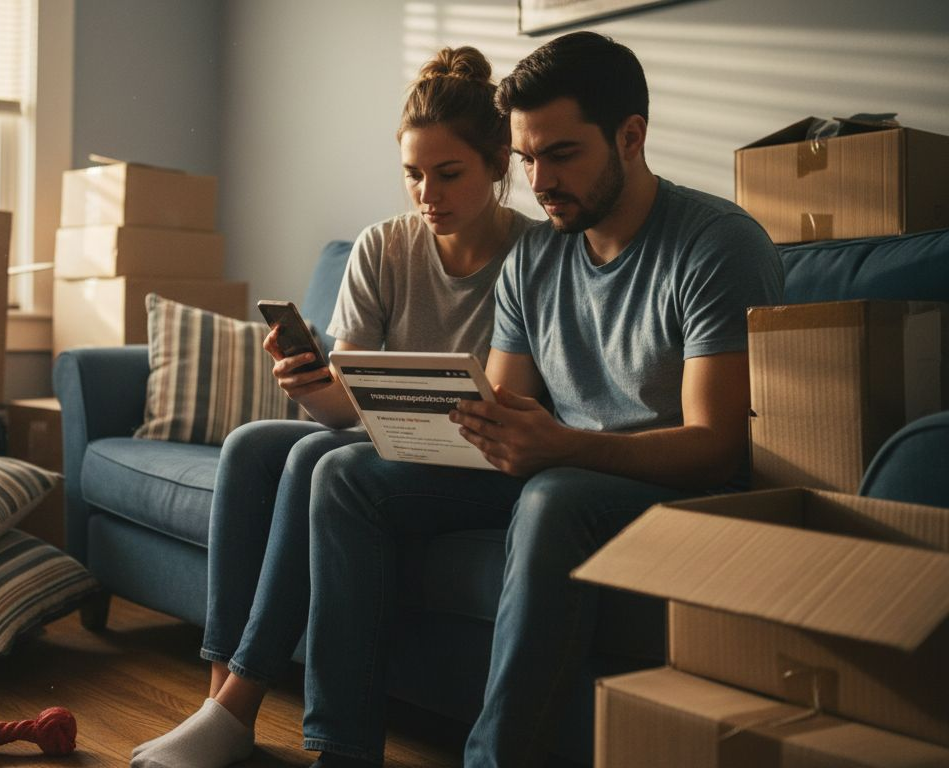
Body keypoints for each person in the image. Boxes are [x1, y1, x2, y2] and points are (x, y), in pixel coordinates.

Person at [300, 31, 784, 768]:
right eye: (526, 159)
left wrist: (560, 445)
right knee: (345, 474)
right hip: (559, 473)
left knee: (554, 496)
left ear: (631, 136)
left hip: (669, 491)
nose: (539, 180)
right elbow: (504, 405)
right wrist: (450, 419)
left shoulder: (716, 246)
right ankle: (340, 751)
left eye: (560, 154)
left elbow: (717, 446)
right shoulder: (537, 254)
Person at [130, 46, 536, 768]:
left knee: (323, 459)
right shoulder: (383, 247)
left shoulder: (535, 257)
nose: (427, 195)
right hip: (387, 448)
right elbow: (346, 405)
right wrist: (314, 388)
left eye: (449, 174)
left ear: (499, 162)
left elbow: (517, 405)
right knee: (258, 442)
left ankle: (266, 720)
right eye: (413, 175)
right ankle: (221, 698)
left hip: (481, 460)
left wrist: (348, 417)